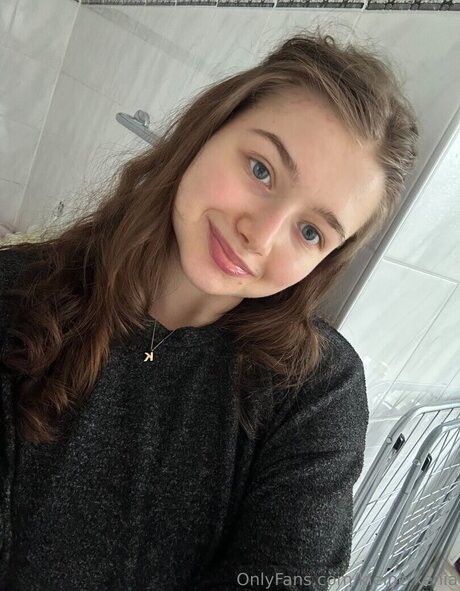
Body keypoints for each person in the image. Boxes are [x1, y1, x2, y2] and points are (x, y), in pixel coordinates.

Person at [0, 28, 418, 591]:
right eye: (261, 170)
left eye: (310, 232)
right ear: (208, 129)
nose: (259, 237)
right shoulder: (17, 293)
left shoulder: (316, 388)